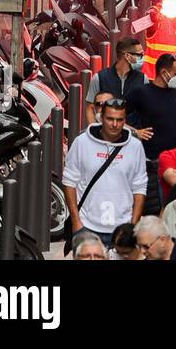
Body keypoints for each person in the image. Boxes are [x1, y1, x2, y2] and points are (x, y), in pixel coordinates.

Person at [64, 98, 147, 246]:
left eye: (119, 120)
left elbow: (139, 187)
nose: (114, 124)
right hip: (87, 226)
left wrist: (132, 226)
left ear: (125, 121)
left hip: (122, 228)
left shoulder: (135, 146)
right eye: (110, 119)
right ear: (101, 117)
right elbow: (69, 182)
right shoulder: (81, 142)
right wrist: (76, 222)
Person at [126, 52, 176, 212]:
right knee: (156, 209)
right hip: (152, 163)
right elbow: (116, 115)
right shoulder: (142, 92)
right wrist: (135, 132)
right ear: (163, 72)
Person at [85, 37, 147, 121]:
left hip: (132, 133)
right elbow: (90, 108)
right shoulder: (99, 78)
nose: (143, 58)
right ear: (127, 56)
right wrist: (93, 131)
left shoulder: (143, 79)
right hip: (106, 132)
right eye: (140, 55)